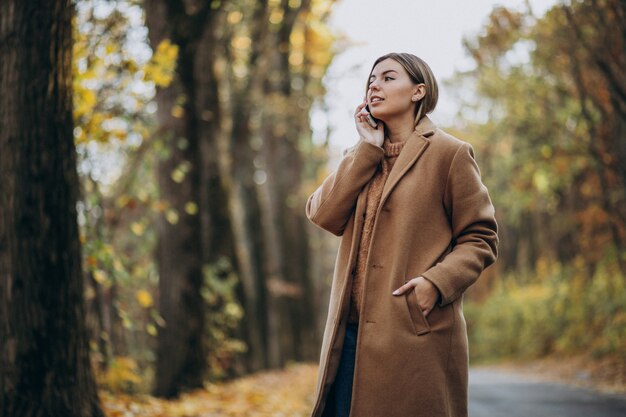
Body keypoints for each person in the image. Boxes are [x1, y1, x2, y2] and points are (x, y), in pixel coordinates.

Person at [305, 52, 498, 417]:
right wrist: (366, 149)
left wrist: (435, 284)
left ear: (418, 91)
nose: (374, 85)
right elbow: (322, 213)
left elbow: (481, 236)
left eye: (388, 77)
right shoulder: (361, 155)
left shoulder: (449, 153)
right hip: (349, 339)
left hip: (415, 337)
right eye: (371, 80)